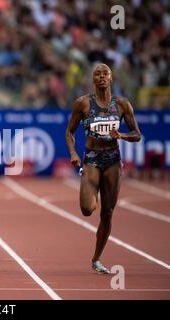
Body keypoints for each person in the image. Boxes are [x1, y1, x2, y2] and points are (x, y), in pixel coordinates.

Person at [65, 63, 141, 274]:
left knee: (107, 213)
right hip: (91, 159)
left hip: (113, 161)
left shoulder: (123, 105)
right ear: (93, 79)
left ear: (111, 78)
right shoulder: (83, 104)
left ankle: (96, 259)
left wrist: (122, 136)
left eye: (105, 73)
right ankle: (91, 189)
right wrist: (73, 153)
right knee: (88, 209)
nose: (101, 77)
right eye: (97, 74)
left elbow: (137, 134)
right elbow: (69, 133)